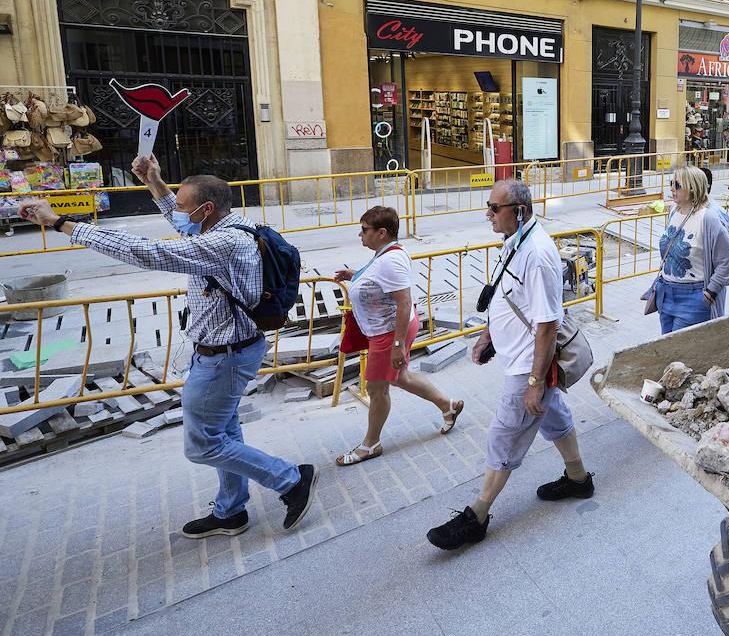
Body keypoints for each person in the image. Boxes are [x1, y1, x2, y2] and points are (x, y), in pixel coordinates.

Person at [16, 155, 316, 539]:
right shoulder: (227, 225)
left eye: (181, 203)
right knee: (223, 433)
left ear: (205, 210)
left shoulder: (222, 242)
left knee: (203, 447)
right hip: (227, 350)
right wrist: (155, 182)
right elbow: (183, 227)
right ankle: (230, 511)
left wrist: (60, 223)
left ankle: (291, 480)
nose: (176, 210)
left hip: (224, 357)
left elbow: (150, 251)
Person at [427, 179, 592, 551]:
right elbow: (507, 295)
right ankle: (579, 480)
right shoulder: (515, 241)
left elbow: (548, 324)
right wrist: (489, 335)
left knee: (505, 434)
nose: (487, 214)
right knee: (555, 416)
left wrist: (535, 381)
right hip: (518, 355)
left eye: (494, 208)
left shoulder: (537, 253)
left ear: (518, 212)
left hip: (528, 365)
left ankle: (478, 515)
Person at [333, 206, 464, 466]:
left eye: (364, 230)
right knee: (400, 377)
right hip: (386, 329)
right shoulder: (386, 253)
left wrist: (397, 346)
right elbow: (379, 278)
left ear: (382, 233)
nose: (360, 235)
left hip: (388, 332)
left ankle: (371, 444)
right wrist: (356, 275)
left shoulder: (391, 261)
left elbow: (404, 303)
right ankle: (447, 405)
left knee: (377, 388)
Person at [652, 166, 729, 334]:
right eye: (671, 183)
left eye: (677, 185)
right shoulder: (673, 212)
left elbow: (727, 260)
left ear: (692, 188)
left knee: (680, 352)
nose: (671, 188)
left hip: (692, 298)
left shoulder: (708, 219)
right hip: (666, 296)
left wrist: (710, 292)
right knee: (668, 350)